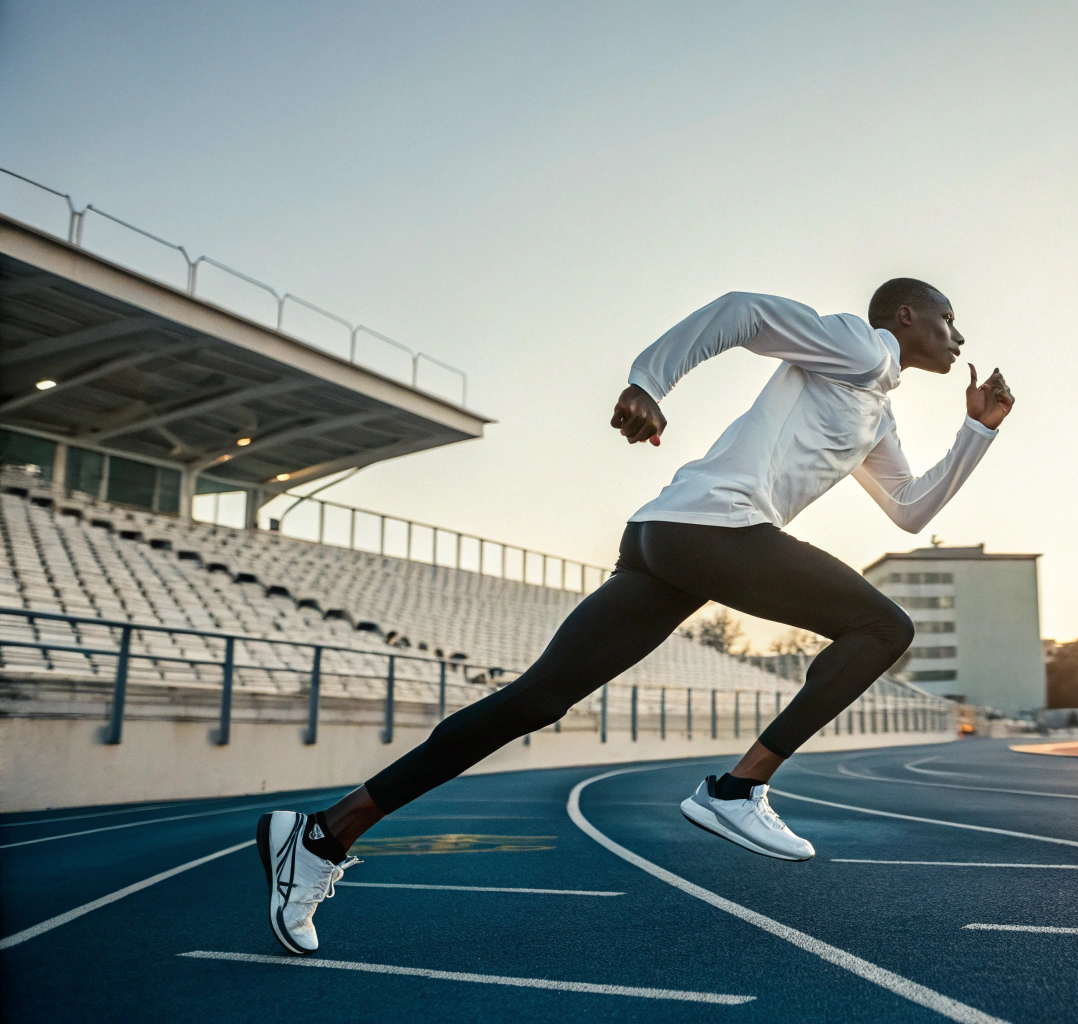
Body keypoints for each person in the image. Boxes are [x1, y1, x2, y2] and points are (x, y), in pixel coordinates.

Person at [257, 279, 1014, 955]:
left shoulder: (875, 412)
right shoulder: (861, 343)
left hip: (668, 537)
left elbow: (911, 511)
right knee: (885, 629)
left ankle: (321, 835)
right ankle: (738, 790)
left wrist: (978, 430)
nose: (959, 339)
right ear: (906, 319)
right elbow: (741, 311)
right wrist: (649, 382)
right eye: (950, 322)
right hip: (715, 531)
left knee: (536, 699)